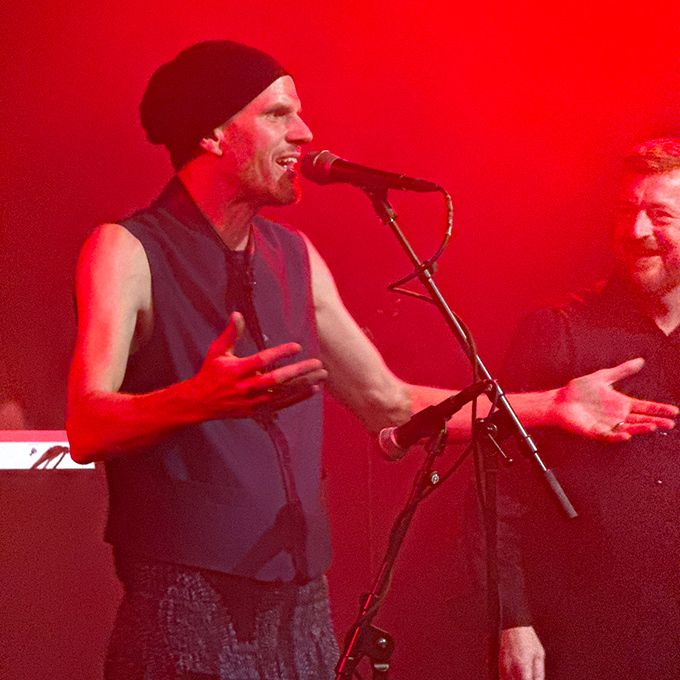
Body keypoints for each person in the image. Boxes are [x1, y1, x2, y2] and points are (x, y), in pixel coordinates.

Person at [65, 42, 677, 680]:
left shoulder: (293, 256)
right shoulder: (126, 249)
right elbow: (87, 424)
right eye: (278, 114)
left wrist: (550, 404)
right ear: (214, 134)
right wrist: (194, 399)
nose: (304, 133)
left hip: (301, 605)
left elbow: (391, 405)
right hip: (186, 601)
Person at [498, 138, 680, 680]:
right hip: (586, 630)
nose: (636, 231)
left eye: (659, 215)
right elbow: (500, 486)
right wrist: (512, 620)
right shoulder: (559, 330)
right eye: (626, 211)